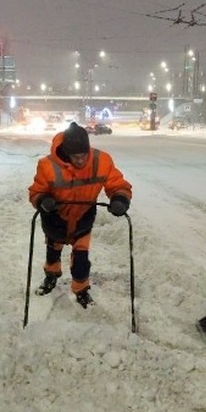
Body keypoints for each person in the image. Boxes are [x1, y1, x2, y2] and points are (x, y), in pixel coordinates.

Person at [28, 122, 132, 308]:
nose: (81, 160)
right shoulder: (47, 165)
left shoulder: (102, 161)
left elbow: (117, 184)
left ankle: (81, 290)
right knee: (53, 252)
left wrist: (120, 199)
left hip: (83, 219)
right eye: (76, 157)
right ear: (67, 153)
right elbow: (36, 191)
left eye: (84, 155)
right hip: (55, 218)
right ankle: (51, 277)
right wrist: (43, 200)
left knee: (81, 261)